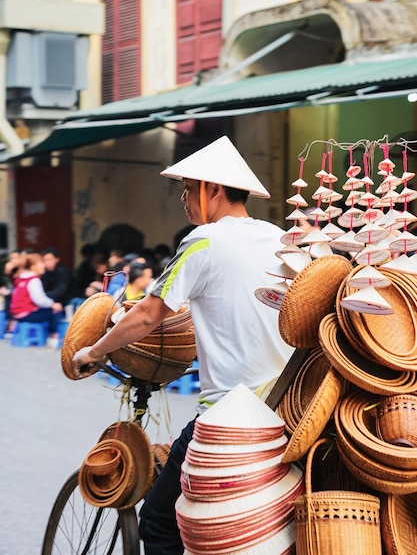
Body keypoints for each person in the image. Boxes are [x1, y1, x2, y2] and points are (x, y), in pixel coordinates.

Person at [72, 135, 294, 554]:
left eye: (188, 189)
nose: (185, 199)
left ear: (211, 190)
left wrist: (94, 351)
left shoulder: (203, 241)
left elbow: (148, 315)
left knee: (159, 523)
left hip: (229, 415)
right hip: (288, 407)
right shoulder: (277, 237)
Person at [10, 252, 64, 338]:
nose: (44, 265)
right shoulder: (34, 280)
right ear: (33, 266)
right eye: (41, 263)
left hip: (17, 314)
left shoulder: (21, 278)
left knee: (47, 310)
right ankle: (53, 335)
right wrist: (53, 304)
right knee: (56, 311)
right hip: (27, 314)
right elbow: (39, 300)